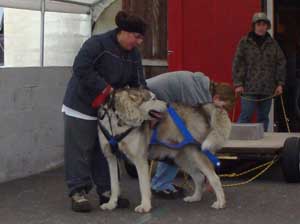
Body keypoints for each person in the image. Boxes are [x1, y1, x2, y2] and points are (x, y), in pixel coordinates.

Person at [62, 11, 147, 212]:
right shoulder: (97, 44)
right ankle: (78, 192)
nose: (139, 42)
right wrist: (105, 88)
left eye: (141, 38)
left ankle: (107, 191)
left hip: (108, 111)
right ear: (124, 32)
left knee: (106, 150)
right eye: (137, 37)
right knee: (80, 150)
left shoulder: (134, 54)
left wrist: (146, 104)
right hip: (81, 105)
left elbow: (138, 83)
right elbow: (80, 68)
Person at [146, 71, 235, 199]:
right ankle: (160, 185)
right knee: (175, 143)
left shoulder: (203, 86)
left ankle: (161, 183)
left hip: (154, 93)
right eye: (223, 106)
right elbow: (192, 126)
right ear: (216, 98)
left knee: (176, 143)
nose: (222, 109)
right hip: (150, 95)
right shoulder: (198, 96)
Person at [232, 12, 287, 131]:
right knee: (245, 116)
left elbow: (281, 63)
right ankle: (237, 146)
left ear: (267, 26)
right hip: (248, 88)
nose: (262, 27)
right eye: (259, 24)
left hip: (267, 88)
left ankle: (262, 147)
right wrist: (238, 84)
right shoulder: (245, 42)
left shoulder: (273, 44)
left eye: (264, 24)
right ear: (254, 26)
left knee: (263, 118)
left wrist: (280, 84)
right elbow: (238, 63)